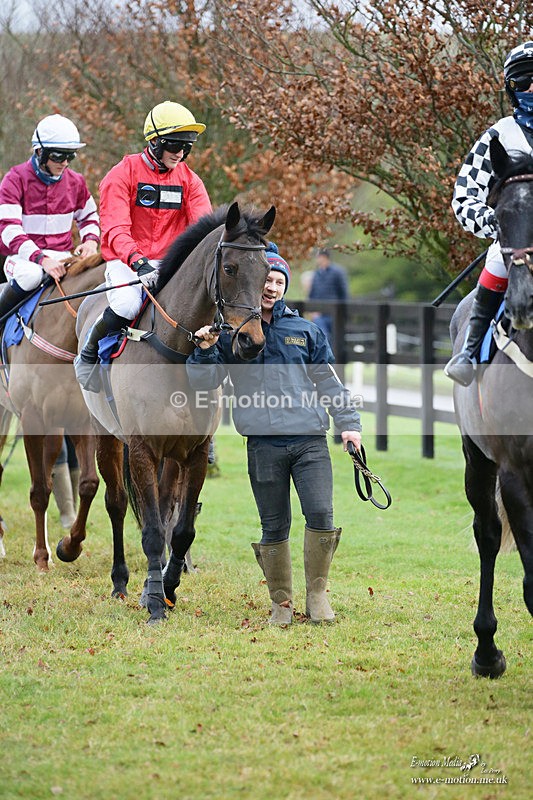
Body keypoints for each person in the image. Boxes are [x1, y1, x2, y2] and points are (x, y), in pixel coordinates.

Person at [186, 246, 362, 626]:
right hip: (263, 444)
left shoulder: (305, 331)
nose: (273, 287)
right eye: (267, 280)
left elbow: (329, 383)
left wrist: (349, 423)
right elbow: (205, 381)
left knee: (320, 512)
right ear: (256, 284)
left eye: (280, 281)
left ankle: (317, 596)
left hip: (309, 441)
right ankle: (281, 602)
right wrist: (203, 351)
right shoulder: (233, 334)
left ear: (285, 286)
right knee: (274, 523)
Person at [74, 100, 212, 392]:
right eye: (175, 145)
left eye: (188, 146)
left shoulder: (191, 181)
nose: (181, 153)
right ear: (154, 141)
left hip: (170, 262)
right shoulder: (121, 174)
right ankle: (88, 354)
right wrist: (138, 261)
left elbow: (204, 230)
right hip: (127, 261)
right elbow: (114, 228)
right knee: (127, 304)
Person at [445, 41, 533, 386]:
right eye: (526, 81)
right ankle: (467, 352)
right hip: (515, 242)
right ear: (513, 87)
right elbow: (464, 196)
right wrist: (497, 224)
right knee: (497, 262)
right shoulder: (498, 135)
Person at [0, 114, 100, 320]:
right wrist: (41, 259)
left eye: (70, 156)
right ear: (39, 151)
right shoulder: (14, 179)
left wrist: (90, 242)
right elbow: (8, 229)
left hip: (61, 256)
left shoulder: (76, 182)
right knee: (31, 276)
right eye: (58, 156)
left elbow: (89, 217)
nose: (64, 162)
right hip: (23, 259)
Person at [307, 247, 349, 344]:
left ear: (324, 257)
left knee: (335, 339)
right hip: (319, 313)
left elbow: (343, 293)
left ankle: (334, 359)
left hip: (334, 313)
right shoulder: (317, 274)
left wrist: (343, 312)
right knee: (322, 337)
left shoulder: (338, 272)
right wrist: (311, 310)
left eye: (319, 257)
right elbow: (312, 293)